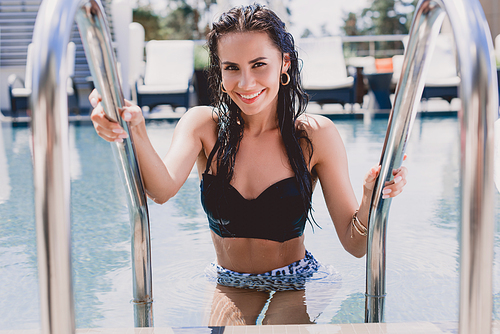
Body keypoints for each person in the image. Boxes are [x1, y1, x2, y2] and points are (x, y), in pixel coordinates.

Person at [89, 4, 408, 326]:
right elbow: (160, 190)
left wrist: (371, 197)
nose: (245, 83)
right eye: (231, 68)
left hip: (298, 280)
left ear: (284, 62)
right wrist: (133, 127)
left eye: (258, 65)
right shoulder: (203, 126)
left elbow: (355, 245)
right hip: (231, 281)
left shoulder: (313, 136)